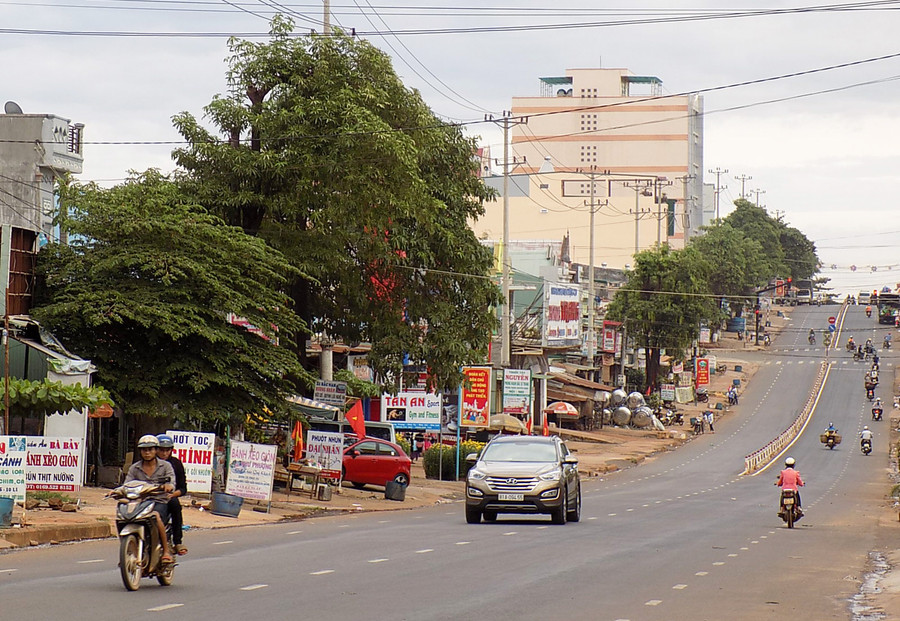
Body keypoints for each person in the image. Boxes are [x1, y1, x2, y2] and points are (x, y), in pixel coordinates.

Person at [124, 435, 176, 564]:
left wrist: (168, 486)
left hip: (159, 501)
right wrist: (117, 491)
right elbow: (127, 484)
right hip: (139, 502)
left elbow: (171, 482)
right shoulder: (134, 468)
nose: (147, 452)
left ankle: (166, 551)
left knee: (155, 516)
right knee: (123, 515)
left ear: (156, 450)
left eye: (150, 449)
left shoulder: (166, 466)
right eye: (144, 450)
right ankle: (127, 551)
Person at [156, 434, 188, 556]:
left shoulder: (174, 464)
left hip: (167, 497)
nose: (164, 453)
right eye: (161, 450)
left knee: (175, 506)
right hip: (149, 497)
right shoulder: (146, 464)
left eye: (167, 450)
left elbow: (183, 488)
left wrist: (172, 494)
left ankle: (177, 541)